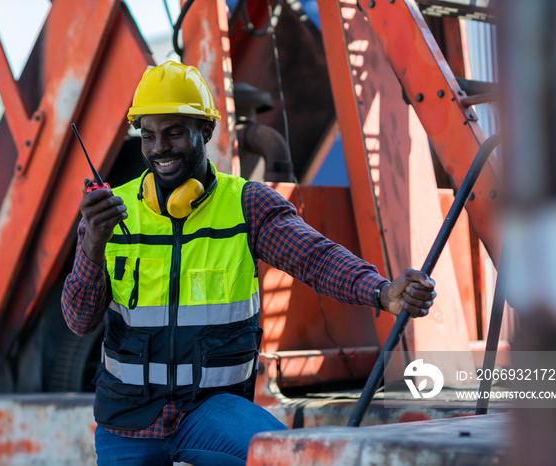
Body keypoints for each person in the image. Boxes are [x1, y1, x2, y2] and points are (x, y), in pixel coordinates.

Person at [61, 61, 436, 465]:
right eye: (148, 135)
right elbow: (80, 321)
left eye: (173, 133)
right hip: (127, 420)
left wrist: (381, 291)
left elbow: (315, 257)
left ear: (205, 131)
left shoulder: (247, 205)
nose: (159, 148)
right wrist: (92, 246)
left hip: (209, 410)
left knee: (286, 459)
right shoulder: (110, 214)